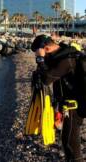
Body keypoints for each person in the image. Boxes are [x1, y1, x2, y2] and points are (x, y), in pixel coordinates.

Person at [31, 34, 84, 162]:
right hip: (69, 106)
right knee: (68, 140)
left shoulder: (66, 60)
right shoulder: (62, 55)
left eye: (44, 53)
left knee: (70, 144)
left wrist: (40, 59)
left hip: (73, 108)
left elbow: (46, 79)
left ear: (47, 49)